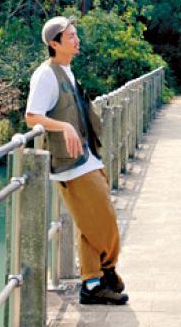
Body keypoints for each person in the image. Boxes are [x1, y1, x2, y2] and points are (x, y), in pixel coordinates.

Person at [24, 16, 128, 305]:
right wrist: (64, 126)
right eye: (70, 36)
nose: (76, 39)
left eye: (75, 34)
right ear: (54, 44)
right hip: (71, 164)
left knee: (92, 224)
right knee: (104, 220)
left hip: (87, 157)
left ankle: (93, 283)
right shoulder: (46, 75)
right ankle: (105, 273)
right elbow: (32, 116)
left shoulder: (67, 70)